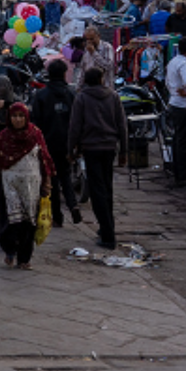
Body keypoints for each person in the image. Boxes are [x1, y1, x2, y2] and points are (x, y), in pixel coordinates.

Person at [68, 66, 128, 251]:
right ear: (102, 79)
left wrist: (71, 149)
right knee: (107, 188)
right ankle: (106, 228)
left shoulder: (82, 98)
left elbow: (75, 126)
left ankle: (109, 236)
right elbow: (122, 125)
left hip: (91, 148)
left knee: (98, 191)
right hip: (109, 148)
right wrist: (124, 151)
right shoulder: (113, 96)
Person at [0, 102, 53, 269]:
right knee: (12, 222)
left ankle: (24, 259)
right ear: (9, 118)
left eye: (21, 116)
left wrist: (47, 182)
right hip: (10, 184)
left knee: (29, 223)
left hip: (32, 185)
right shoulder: (4, 136)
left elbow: (45, 160)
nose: (17, 120)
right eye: (14, 116)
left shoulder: (35, 134)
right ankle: (10, 251)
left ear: (26, 117)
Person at [29, 59, 81, 227]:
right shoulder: (72, 94)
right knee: (65, 175)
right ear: (65, 73)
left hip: (47, 144)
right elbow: (77, 121)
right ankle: (73, 205)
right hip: (66, 143)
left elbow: (35, 121)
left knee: (51, 179)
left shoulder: (41, 95)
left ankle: (57, 216)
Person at [163, 36, 186, 184]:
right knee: (184, 142)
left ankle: (179, 172)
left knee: (178, 140)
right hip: (184, 106)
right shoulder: (183, 64)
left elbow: (167, 82)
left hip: (175, 103)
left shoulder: (173, 62)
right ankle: (184, 175)